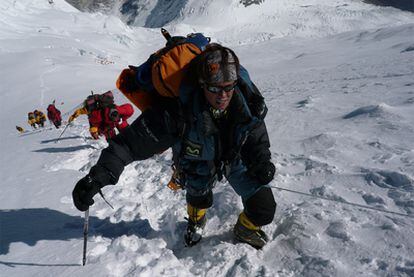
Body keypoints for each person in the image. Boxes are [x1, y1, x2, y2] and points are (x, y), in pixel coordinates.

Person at [72, 44, 276, 249]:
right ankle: (196, 221)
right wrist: (98, 176)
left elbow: (255, 131)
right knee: (199, 201)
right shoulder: (175, 113)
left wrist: (261, 160)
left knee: (264, 209)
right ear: (202, 84)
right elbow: (127, 145)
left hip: (234, 158)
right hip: (196, 165)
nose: (223, 95)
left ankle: (245, 229)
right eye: (214, 88)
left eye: (228, 87)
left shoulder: (244, 99)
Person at [68, 91, 134, 140]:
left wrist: (73, 117)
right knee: (113, 130)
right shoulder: (107, 108)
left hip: (101, 124)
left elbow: (78, 112)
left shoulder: (89, 111)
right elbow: (129, 109)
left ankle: (99, 139)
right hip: (106, 123)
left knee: (100, 130)